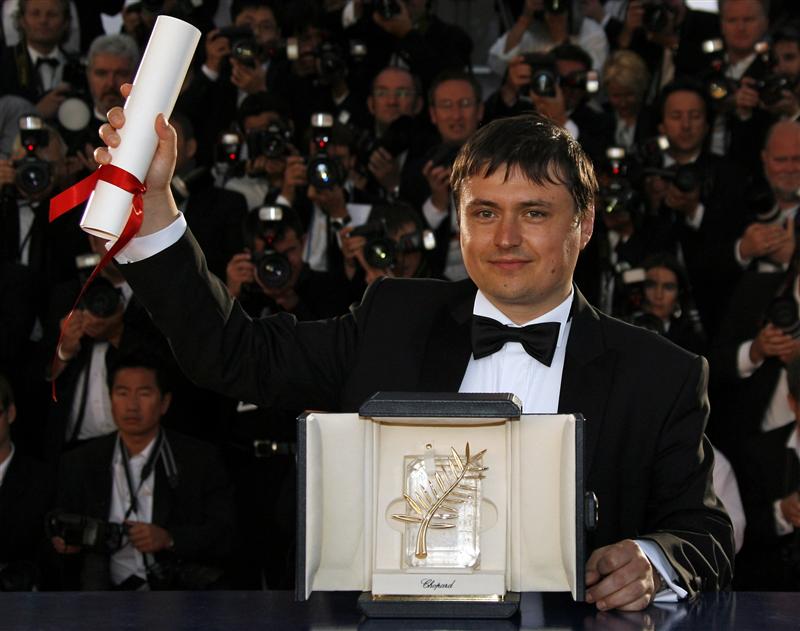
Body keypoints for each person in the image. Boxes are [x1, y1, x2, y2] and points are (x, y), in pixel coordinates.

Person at [97, 90, 733, 609]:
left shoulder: (661, 373)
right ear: (459, 221)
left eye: (534, 213)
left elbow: (705, 533)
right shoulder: (393, 318)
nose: (506, 238)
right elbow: (232, 353)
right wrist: (156, 207)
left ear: (584, 224)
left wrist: (649, 561)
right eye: (485, 212)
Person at [51, 352, 236, 590]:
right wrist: (64, 542)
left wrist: (170, 538)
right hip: (102, 595)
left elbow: (225, 532)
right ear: (110, 398)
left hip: (177, 596)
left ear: (164, 403)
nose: (132, 405)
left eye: (144, 393)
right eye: (122, 393)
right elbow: (59, 521)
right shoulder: (80, 462)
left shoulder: (198, 460)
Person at [737, 356, 800, 590]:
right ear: (792, 403)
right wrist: (781, 512)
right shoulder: (760, 452)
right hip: (772, 593)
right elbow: (741, 530)